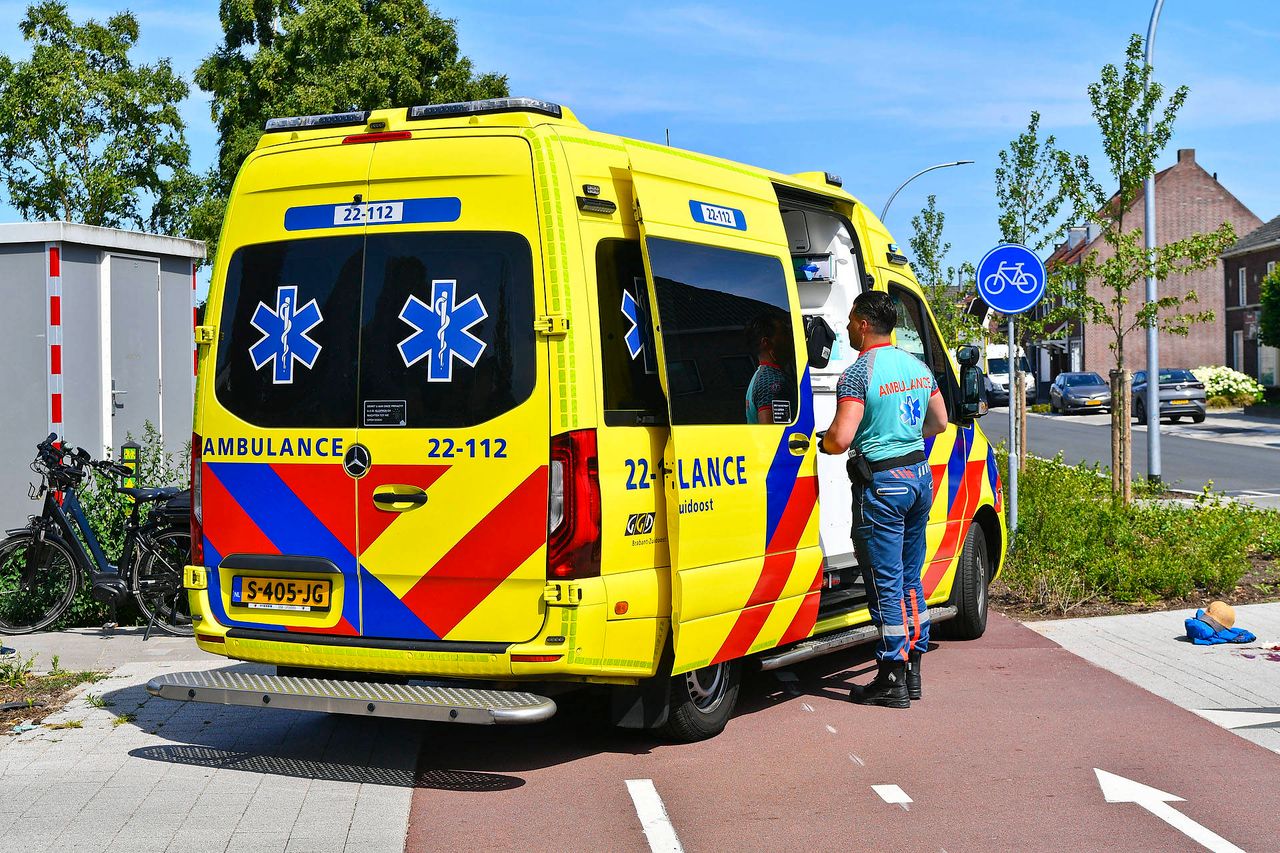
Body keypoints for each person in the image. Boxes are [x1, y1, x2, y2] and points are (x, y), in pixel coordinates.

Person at [817, 291, 948, 708]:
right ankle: (913, 672)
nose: (848, 327)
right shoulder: (916, 366)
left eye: (851, 320)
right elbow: (940, 422)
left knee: (885, 583)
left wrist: (820, 442)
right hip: (919, 479)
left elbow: (840, 439)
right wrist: (903, 440)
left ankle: (890, 677)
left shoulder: (858, 374)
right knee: (911, 578)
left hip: (883, 486)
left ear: (862, 322)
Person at [744, 311, 795, 424]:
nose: (790, 338)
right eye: (784, 333)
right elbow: (772, 434)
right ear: (766, 342)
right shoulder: (772, 382)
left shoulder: (762, 375)